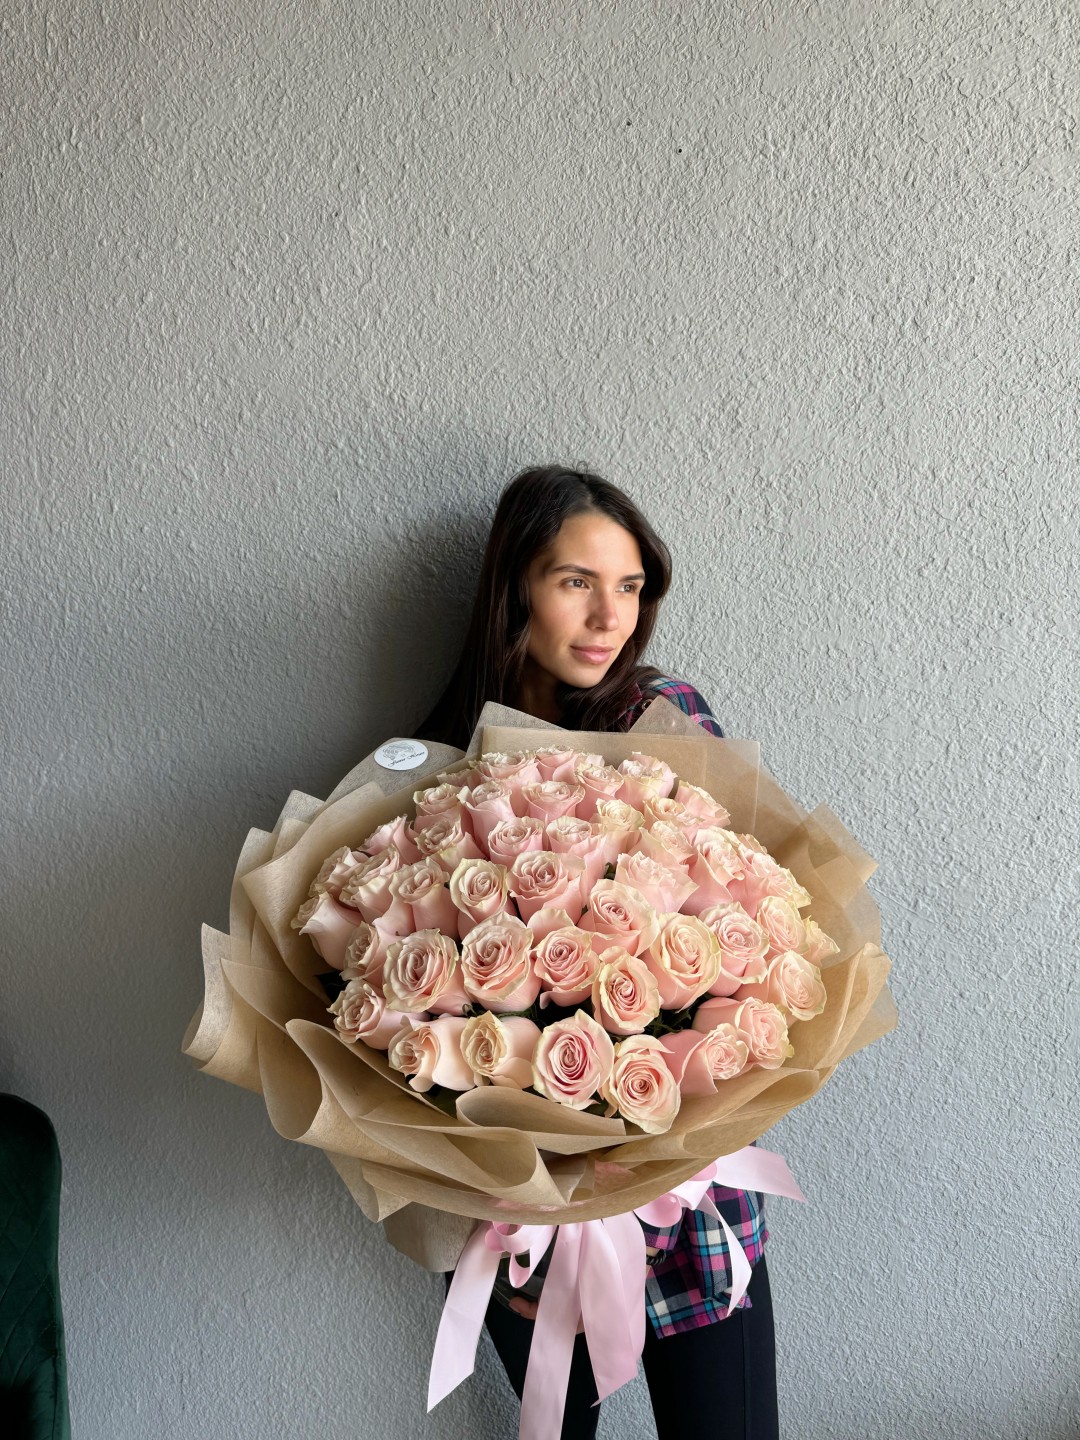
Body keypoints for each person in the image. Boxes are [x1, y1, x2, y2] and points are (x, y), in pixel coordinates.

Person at [416, 465, 779, 1440]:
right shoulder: (437, 766)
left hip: (680, 1193)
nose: (607, 614)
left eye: (628, 587)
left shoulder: (663, 724)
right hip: (523, 1212)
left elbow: (723, 963)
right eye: (576, 580)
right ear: (514, 589)